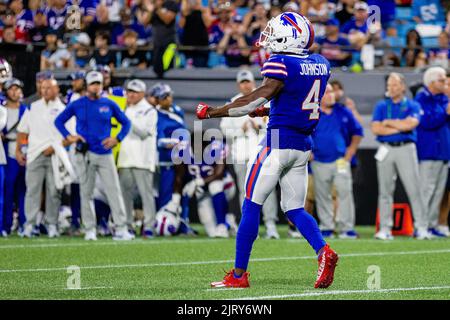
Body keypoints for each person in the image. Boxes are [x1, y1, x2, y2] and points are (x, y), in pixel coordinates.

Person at [197, 12, 338, 289]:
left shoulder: (281, 62)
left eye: (275, 33)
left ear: (290, 37)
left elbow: (249, 103)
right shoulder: (321, 63)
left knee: (251, 204)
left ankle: (238, 276)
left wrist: (212, 112)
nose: (270, 38)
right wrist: (268, 108)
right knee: (294, 208)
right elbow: (295, 98)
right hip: (302, 147)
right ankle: (324, 251)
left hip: (276, 143)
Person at [54, 70, 133, 241]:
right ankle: (90, 229)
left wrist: (117, 138)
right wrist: (70, 136)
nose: (96, 86)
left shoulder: (109, 104)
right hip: (85, 153)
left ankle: (121, 228)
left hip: (105, 153)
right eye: (93, 83)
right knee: (86, 192)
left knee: (114, 191)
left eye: (98, 83)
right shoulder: (78, 104)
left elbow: (126, 123)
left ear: (102, 85)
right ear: (87, 85)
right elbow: (59, 121)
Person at [220, 69, 280, 239]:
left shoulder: (265, 100)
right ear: (239, 84)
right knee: (246, 191)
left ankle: (270, 224)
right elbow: (223, 128)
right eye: (242, 82)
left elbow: (275, 123)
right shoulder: (233, 102)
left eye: (248, 81)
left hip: (263, 152)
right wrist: (241, 128)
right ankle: (248, 227)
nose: (246, 85)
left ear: (253, 82)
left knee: (267, 189)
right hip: (241, 154)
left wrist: (260, 126)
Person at [371, 73, 429, 240]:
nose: (391, 88)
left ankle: (421, 227)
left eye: (395, 84)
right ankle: (385, 229)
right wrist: (401, 126)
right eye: (389, 84)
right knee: (385, 191)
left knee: (414, 189)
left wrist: (388, 122)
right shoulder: (381, 105)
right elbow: (376, 129)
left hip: (406, 148)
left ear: (403, 86)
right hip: (386, 149)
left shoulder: (412, 105)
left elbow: (411, 124)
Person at [311, 84, 363, 239]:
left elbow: (358, 132)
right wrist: (308, 152)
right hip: (319, 160)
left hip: (341, 160)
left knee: (345, 192)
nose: (331, 95)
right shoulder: (312, 113)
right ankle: (327, 227)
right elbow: (302, 133)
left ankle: (347, 228)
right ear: (319, 96)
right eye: (327, 92)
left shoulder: (343, 111)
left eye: (332, 92)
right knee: (322, 195)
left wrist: (351, 151)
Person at [16, 79, 67, 238]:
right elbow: (22, 131)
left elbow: (69, 135)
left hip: (55, 155)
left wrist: (56, 147)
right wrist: (19, 150)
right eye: (43, 88)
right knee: (32, 191)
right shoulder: (33, 107)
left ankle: (52, 224)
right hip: (34, 154)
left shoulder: (63, 109)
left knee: (54, 191)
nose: (44, 91)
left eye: (48, 88)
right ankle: (30, 224)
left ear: (56, 89)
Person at [117, 79, 158, 238]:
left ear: (142, 93)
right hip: (125, 158)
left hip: (142, 159)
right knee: (124, 194)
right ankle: (127, 225)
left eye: (134, 92)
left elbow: (143, 133)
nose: (131, 94)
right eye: (129, 91)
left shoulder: (150, 111)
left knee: (146, 195)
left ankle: (149, 226)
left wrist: (125, 119)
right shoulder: (123, 108)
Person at [415, 67, 450, 238]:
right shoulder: (421, 98)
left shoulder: (443, 98)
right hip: (428, 151)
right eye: (442, 80)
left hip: (443, 151)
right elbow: (428, 122)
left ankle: (432, 224)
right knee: (426, 190)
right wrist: (445, 112)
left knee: (438, 190)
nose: (445, 83)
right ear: (431, 82)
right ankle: (420, 225)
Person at [1, 78, 27, 236]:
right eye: (11, 89)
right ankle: (6, 225)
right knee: (8, 190)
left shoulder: (26, 109)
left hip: (25, 152)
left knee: (24, 191)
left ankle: (25, 224)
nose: (14, 91)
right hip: (7, 153)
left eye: (17, 88)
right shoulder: (2, 109)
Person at [155, 84, 186, 210]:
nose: (168, 99)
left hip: (182, 156)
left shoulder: (177, 110)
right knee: (165, 192)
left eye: (169, 95)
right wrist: (175, 142)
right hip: (166, 158)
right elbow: (159, 140)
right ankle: (163, 221)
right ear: (158, 100)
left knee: (183, 190)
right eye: (164, 97)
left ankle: (182, 220)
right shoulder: (156, 115)